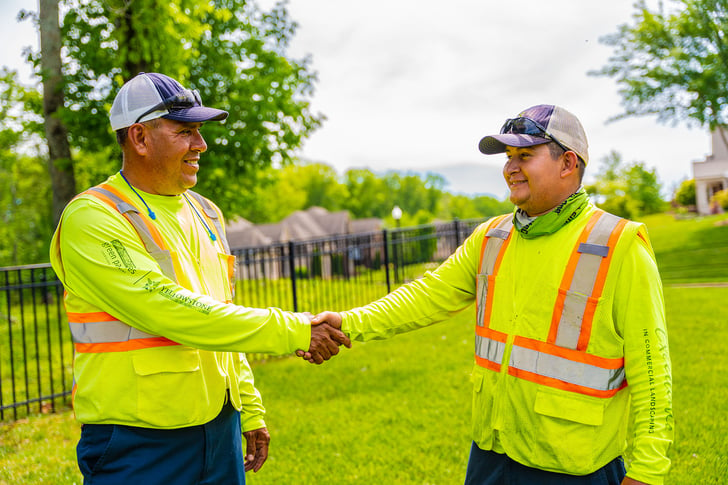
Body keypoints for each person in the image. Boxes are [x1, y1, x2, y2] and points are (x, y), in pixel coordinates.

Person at [307, 105, 673, 485]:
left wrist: (647, 470)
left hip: (574, 465)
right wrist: (349, 322)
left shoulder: (620, 246)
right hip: (491, 455)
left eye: (525, 155)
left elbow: (652, 368)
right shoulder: (491, 237)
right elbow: (426, 295)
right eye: (509, 157)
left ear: (567, 163)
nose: (510, 168)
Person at [50, 72, 350, 485]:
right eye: (186, 131)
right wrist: (296, 329)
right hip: (139, 441)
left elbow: (220, 316)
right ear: (139, 137)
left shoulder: (206, 212)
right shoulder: (94, 216)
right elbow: (169, 309)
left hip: (219, 425)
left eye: (200, 132)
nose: (201, 145)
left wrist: (248, 407)